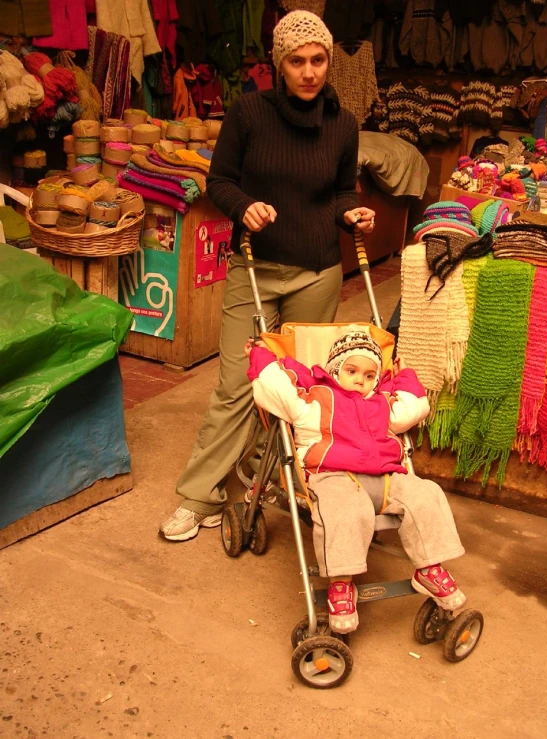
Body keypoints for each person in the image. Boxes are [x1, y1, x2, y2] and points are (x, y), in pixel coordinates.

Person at [160, 10, 376, 542]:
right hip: (254, 266)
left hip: (318, 270)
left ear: (328, 61)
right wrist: (245, 207)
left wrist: (353, 213)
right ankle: (199, 495)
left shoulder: (343, 124)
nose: (309, 71)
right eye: (297, 61)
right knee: (238, 384)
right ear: (279, 65)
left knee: (300, 386)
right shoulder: (249, 113)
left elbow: (342, 192)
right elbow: (221, 180)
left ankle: (270, 473)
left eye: (317, 60)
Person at [245, 325, 466, 634]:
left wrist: (402, 377)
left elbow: (415, 407)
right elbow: (276, 390)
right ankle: (341, 584)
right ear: (335, 369)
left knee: (425, 494)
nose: (361, 380)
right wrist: (261, 357)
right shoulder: (314, 399)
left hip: (387, 476)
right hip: (334, 475)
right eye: (352, 371)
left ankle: (429, 567)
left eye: (370, 375)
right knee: (345, 511)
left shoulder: (382, 404)